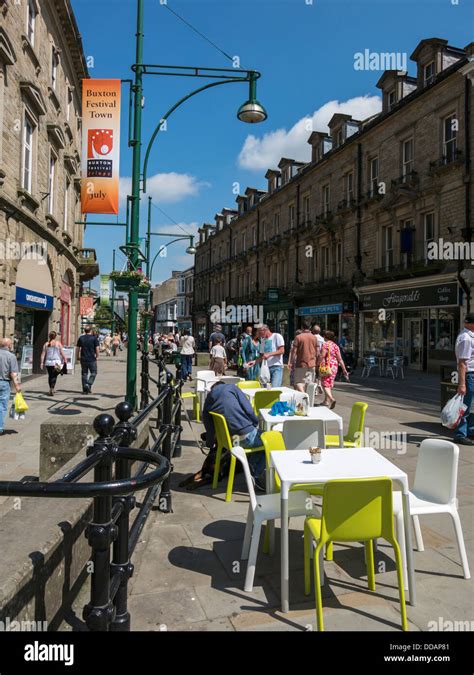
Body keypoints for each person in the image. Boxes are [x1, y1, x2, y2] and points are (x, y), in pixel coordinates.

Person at [203, 381, 266, 489]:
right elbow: (249, 410)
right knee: (271, 439)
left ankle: (251, 467)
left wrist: (209, 443)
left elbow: (208, 425)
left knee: (260, 442)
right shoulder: (232, 387)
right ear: (223, 384)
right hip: (245, 437)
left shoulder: (208, 400)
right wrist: (255, 423)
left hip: (228, 441)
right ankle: (257, 475)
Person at [454, 314, 474, 446]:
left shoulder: (468, 336)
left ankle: (470, 430)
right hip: (469, 375)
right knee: (465, 406)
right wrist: (462, 384)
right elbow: (462, 363)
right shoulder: (466, 338)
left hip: (471, 375)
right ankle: (460, 434)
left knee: (471, 406)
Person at [317, 331, 349, 409]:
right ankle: (326, 401)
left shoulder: (325, 344)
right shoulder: (335, 346)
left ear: (325, 337)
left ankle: (331, 399)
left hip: (326, 366)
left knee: (324, 383)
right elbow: (340, 359)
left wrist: (317, 363)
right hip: (334, 366)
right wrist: (344, 369)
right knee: (329, 383)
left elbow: (322, 355)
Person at [289, 319, 319, 392]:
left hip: (301, 363)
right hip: (312, 364)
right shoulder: (314, 337)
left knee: (298, 382)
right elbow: (317, 352)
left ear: (302, 327)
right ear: (310, 327)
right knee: (308, 383)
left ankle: (304, 395)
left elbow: (294, 351)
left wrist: (291, 362)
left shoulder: (298, 337)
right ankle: (306, 400)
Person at [0, 338, 21, 435]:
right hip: (4, 383)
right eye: (11, 343)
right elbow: (13, 373)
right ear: (8, 345)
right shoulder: (11, 356)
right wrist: (17, 385)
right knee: (2, 406)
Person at [40, 331, 66, 396]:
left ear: (49, 336)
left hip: (48, 362)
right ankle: (52, 387)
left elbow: (43, 354)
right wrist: (65, 359)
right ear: (55, 336)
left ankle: (51, 388)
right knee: (55, 375)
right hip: (57, 362)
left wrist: (41, 363)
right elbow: (62, 353)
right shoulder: (58, 343)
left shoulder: (46, 344)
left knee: (50, 375)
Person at [77, 326, 100, 394]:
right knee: (94, 372)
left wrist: (77, 356)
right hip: (91, 358)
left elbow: (77, 348)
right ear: (91, 330)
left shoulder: (81, 338)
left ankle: (85, 388)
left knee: (84, 373)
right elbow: (97, 348)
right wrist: (97, 356)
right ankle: (89, 384)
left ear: (85, 331)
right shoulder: (94, 338)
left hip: (83, 358)